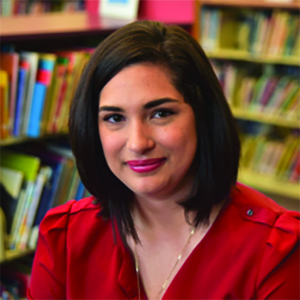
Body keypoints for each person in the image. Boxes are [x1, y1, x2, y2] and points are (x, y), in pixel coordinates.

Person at [28, 21, 299, 300]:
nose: (138, 143)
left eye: (160, 113)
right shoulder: (65, 238)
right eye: (114, 118)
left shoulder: (275, 249)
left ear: (202, 114)